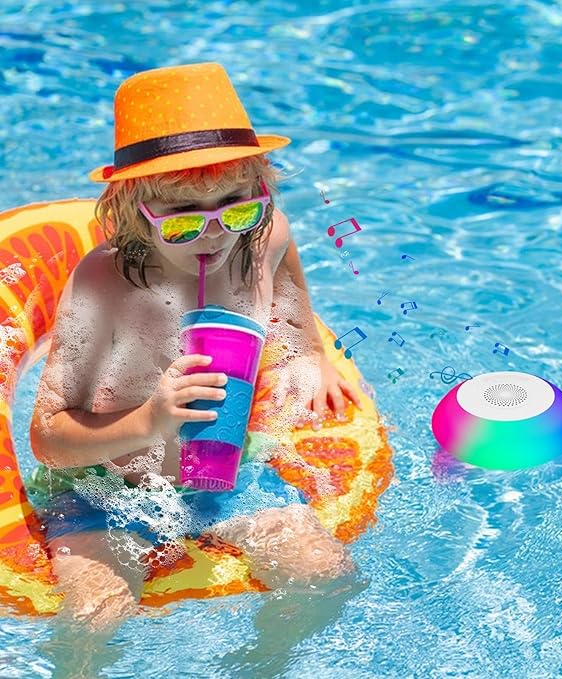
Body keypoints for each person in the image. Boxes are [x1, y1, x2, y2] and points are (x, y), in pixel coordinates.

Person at [29, 62, 362, 634]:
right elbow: (48, 440)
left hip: (228, 472)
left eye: (236, 204)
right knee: (97, 618)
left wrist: (309, 353)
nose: (214, 232)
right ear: (133, 209)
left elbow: (286, 280)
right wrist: (150, 420)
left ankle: (260, 668)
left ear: (261, 189)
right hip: (110, 486)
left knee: (326, 578)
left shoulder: (264, 235)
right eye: (183, 219)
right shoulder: (103, 284)